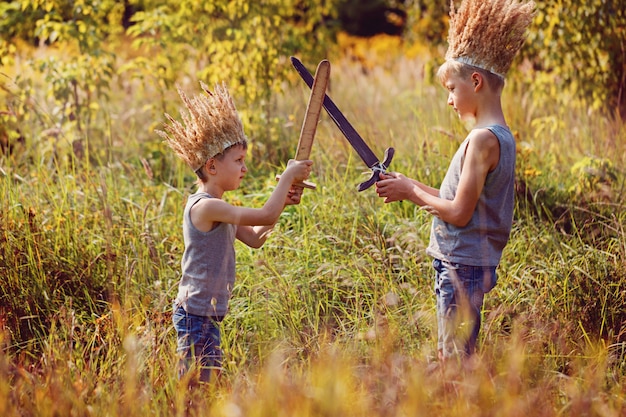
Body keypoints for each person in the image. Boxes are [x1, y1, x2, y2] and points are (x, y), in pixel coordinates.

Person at [375, 0, 535, 362]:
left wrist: (412, 193)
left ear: (475, 81)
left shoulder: (482, 139)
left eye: (451, 88)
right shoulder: (499, 136)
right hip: (467, 265)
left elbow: (460, 214)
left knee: (454, 366)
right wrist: (410, 184)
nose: (449, 100)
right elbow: (462, 201)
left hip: (460, 268)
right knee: (457, 358)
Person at [157, 82, 312, 383]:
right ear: (212, 166)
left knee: (205, 386)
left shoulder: (219, 206)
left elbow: (255, 237)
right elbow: (265, 213)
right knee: (196, 389)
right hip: (195, 318)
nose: (244, 168)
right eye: (238, 161)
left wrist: (283, 202)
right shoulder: (206, 208)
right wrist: (287, 179)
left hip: (207, 317)